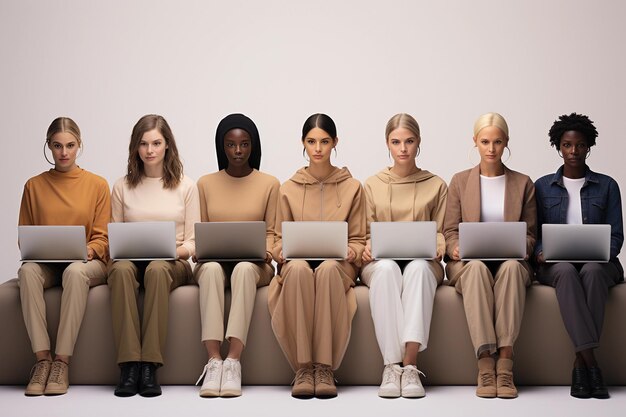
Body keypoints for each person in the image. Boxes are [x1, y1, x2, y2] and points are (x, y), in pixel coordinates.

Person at [268, 113, 366, 399]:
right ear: (303, 143)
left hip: (338, 265)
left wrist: (353, 251)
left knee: (326, 270)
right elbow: (276, 238)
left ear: (335, 142)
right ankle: (303, 367)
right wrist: (280, 251)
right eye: (311, 142)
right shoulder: (287, 189)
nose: (318, 148)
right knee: (297, 270)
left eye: (324, 141)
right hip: (297, 262)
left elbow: (359, 238)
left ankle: (324, 367)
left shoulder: (353, 188)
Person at [443, 112, 536, 399]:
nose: (491, 148)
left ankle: (505, 365)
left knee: (510, 268)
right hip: (470, 262)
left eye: (497, 142)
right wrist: (454, 247)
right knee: (476, 269)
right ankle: (485, 362)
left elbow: (531, 235)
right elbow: (449, 231)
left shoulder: (523, 183)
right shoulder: (459, 182)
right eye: (485, 142)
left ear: (506, 142)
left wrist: (522, 247)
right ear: (475, 142)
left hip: (510, 260)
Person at [18, 117, 111, 396]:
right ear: (49, 146)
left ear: (79, 145)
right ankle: (42, 360)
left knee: (74, 272)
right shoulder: (34, 186)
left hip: (86, 264)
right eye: (57, 146)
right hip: (46, 264)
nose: (64, 152)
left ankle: (61, 362)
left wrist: (89, 250)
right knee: (27, 272)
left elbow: (103, 238)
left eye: (70, 145)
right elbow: (25, 236)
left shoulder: (97, 184)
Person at [108, 114, 200, 397]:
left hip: (173, 262)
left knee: (157, 268)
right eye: (143, 144)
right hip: (130, 261)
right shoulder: (122, 186)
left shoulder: (186, 186)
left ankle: (149, 365)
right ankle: (129, 365)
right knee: (121, 270)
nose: (150, 150)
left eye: (156, 143)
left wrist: (173, 250)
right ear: (135, 148)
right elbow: (115, 239)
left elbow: (194, 244)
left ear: (167, 145)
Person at [534, 113, 623, 399]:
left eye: (580, 145)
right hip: (556, 264)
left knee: (593, 272)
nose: (573, 152)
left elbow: (616, 237)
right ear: (558, 147)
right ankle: (592, 364)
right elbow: (534, 234)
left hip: (600, 263)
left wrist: (599, 253)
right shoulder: (542, 186)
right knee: (565, 270)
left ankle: (579, 364)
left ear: (589, 147)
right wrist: (540, 253)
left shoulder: (607, 185)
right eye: (567, 145)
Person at [360, 113, 447, 398]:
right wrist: (368, 244)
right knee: (386, 270)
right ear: (387, 143)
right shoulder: (372, 184)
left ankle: (410, 366)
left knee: (419, 270)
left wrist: (439, 243)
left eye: (409, 141)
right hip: (381, 261)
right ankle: (391, 365)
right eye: (396, 142)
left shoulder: (435, 184)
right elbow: (364, 231)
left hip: (422, 260)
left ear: (418, 142)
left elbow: (443, 230)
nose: (403, 149)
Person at [194, 114, 279, 397]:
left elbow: (273, 232)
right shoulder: (205, 183)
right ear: (222, 147)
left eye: (244, 144)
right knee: (210, 270)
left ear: (253, 146)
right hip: (214, 261)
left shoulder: (269, 184)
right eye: (231, 145)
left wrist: (266, 251)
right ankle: (214, 360)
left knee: (243, 268)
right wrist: (201, 252)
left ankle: (233, 362)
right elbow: (201, 230)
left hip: (255, 264)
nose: (238, 151)